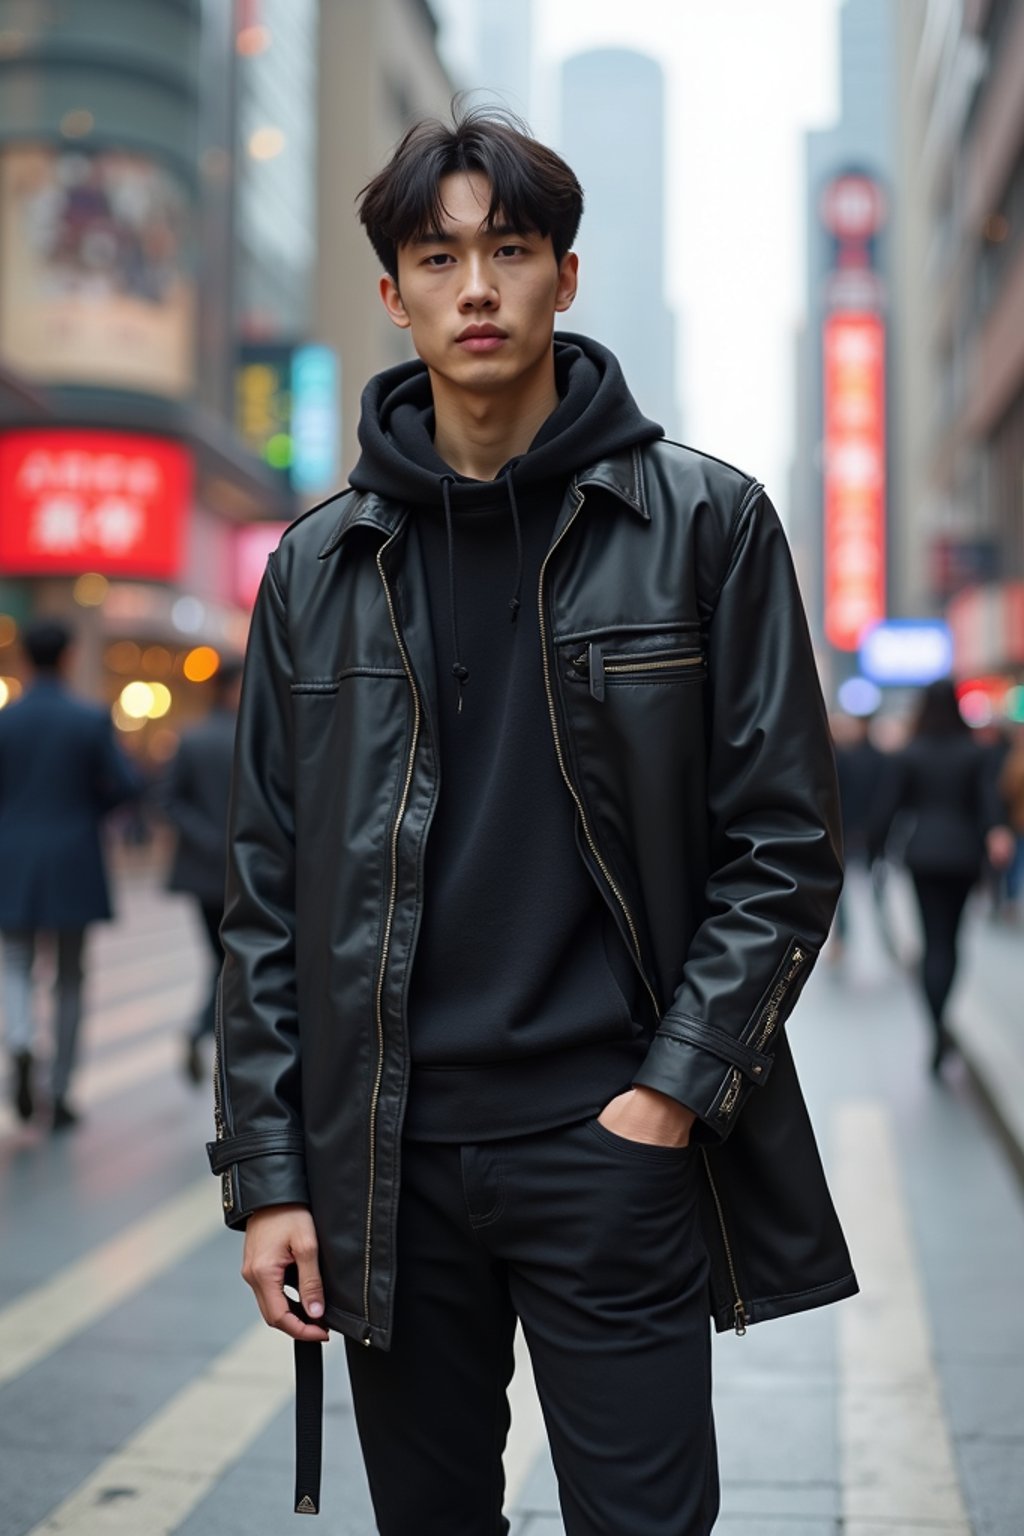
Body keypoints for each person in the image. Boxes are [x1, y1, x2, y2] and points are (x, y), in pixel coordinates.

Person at [208, 108, 856, 1535]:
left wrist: (669, 1097)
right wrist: (269, 1179)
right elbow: (264, 893)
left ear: (568, 274)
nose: (478, 287)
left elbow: (787, 850)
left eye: (510, 249)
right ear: (394, 294)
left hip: (608, 1141)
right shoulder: (316, 569)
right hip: (388, 1162)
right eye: (438, 256)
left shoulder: (708, 526)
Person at [0, 617, 140, 1129]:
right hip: (74, 858)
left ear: (24, 659)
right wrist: (87, 810)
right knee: (70, 977)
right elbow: (127, 786)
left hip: (10, 857)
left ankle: (19, 1042)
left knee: (14, 961)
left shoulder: (6, 721)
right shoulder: (89, 719)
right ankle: (59, 1091)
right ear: (68, 657)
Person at [870, 678, 1013, 1074]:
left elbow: (888, 807)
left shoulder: (910, 753)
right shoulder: (974, 753)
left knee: (932, 940)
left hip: (923, 855)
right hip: (964, 855)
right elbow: (989, 802)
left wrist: (874, 852)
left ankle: (935, 1028)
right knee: (951, 941)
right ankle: (941, 1023)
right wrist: (995, 833)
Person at [158, 660, 242, 1087]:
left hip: (201, 871)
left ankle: (202, 1030)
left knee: (222, 956)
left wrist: (204, 838)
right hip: (247, 868)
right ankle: (205, 1031)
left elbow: (168, 800)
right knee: (232, 959)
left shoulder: (190, 738)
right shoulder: (257, 736)